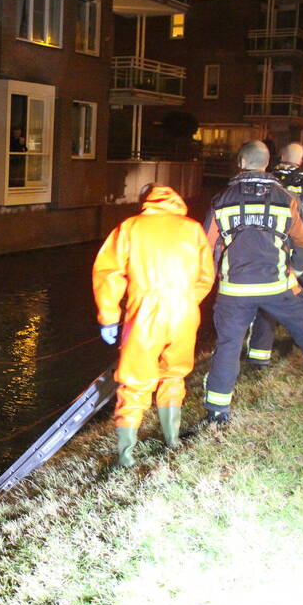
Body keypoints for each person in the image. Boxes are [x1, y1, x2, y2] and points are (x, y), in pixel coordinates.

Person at [201, 141, 303, 425]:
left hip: (234, 290)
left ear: (240, 162)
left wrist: (213, 282)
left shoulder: (221, 199)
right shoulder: (285, 197)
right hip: (279, 286)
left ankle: (217, 412)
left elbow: (206, 248)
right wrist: (294, 272)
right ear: (266, 163)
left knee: (227, 345)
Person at [92, 184, 215, 467]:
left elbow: (108, 274)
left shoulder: (130, 228)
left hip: (145, 315)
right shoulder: (193, 228)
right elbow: (206, 276)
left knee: (134, 382)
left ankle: (126, 455)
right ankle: (171, 439)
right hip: (183, 312)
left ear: (145, 201)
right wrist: (185, 300)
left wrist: (109, 316)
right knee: (174, 375)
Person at [246, 142, 303, 367]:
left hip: (271, 251)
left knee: (267, 301)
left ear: (279, 157)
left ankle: (259, 356)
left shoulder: (265, 179)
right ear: (302, 159)